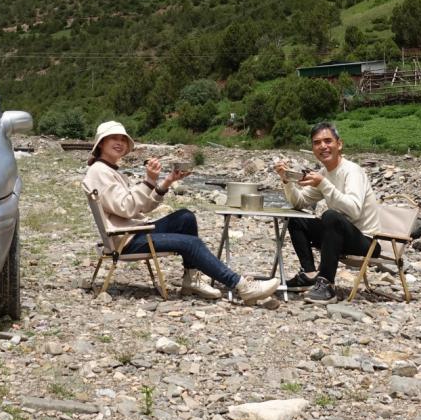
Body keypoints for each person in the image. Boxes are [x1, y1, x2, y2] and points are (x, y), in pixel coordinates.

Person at [83, 121, 279, 304]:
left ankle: (191, 280)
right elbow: (127, 208)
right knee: (191, 244)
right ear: (101, 143)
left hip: (132, 231)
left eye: (122, 139)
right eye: (113, 138)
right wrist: (149, 180)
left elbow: (141, 207)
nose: (120, 143)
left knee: (185, 217)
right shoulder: (100, 172)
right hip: (125, 240)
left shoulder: (109, 170)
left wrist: (167, 181)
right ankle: (242, 286)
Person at [274, 122, 380, 304]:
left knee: (330, 216)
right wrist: (287, 180)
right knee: (295, 218)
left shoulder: (352, 171)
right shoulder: (324, 173)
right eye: (317, 143)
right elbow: (299, 202)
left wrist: (323, 183)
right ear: (313, 149)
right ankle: (309, 274)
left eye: (327, 141)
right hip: (337, 235)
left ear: (339, 144)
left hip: (365, 240)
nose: (323, 146)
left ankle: (327, 284)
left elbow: (353, 210)